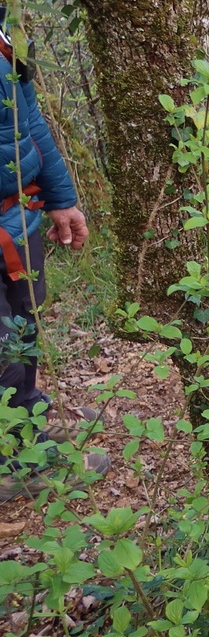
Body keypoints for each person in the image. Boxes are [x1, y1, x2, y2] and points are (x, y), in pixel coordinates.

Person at [0, 27, 103, 504]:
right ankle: (13, 461)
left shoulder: (5, 34)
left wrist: (61, 198)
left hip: (16, 216)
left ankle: (27, 416)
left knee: (25, 320)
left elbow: (30, 118)